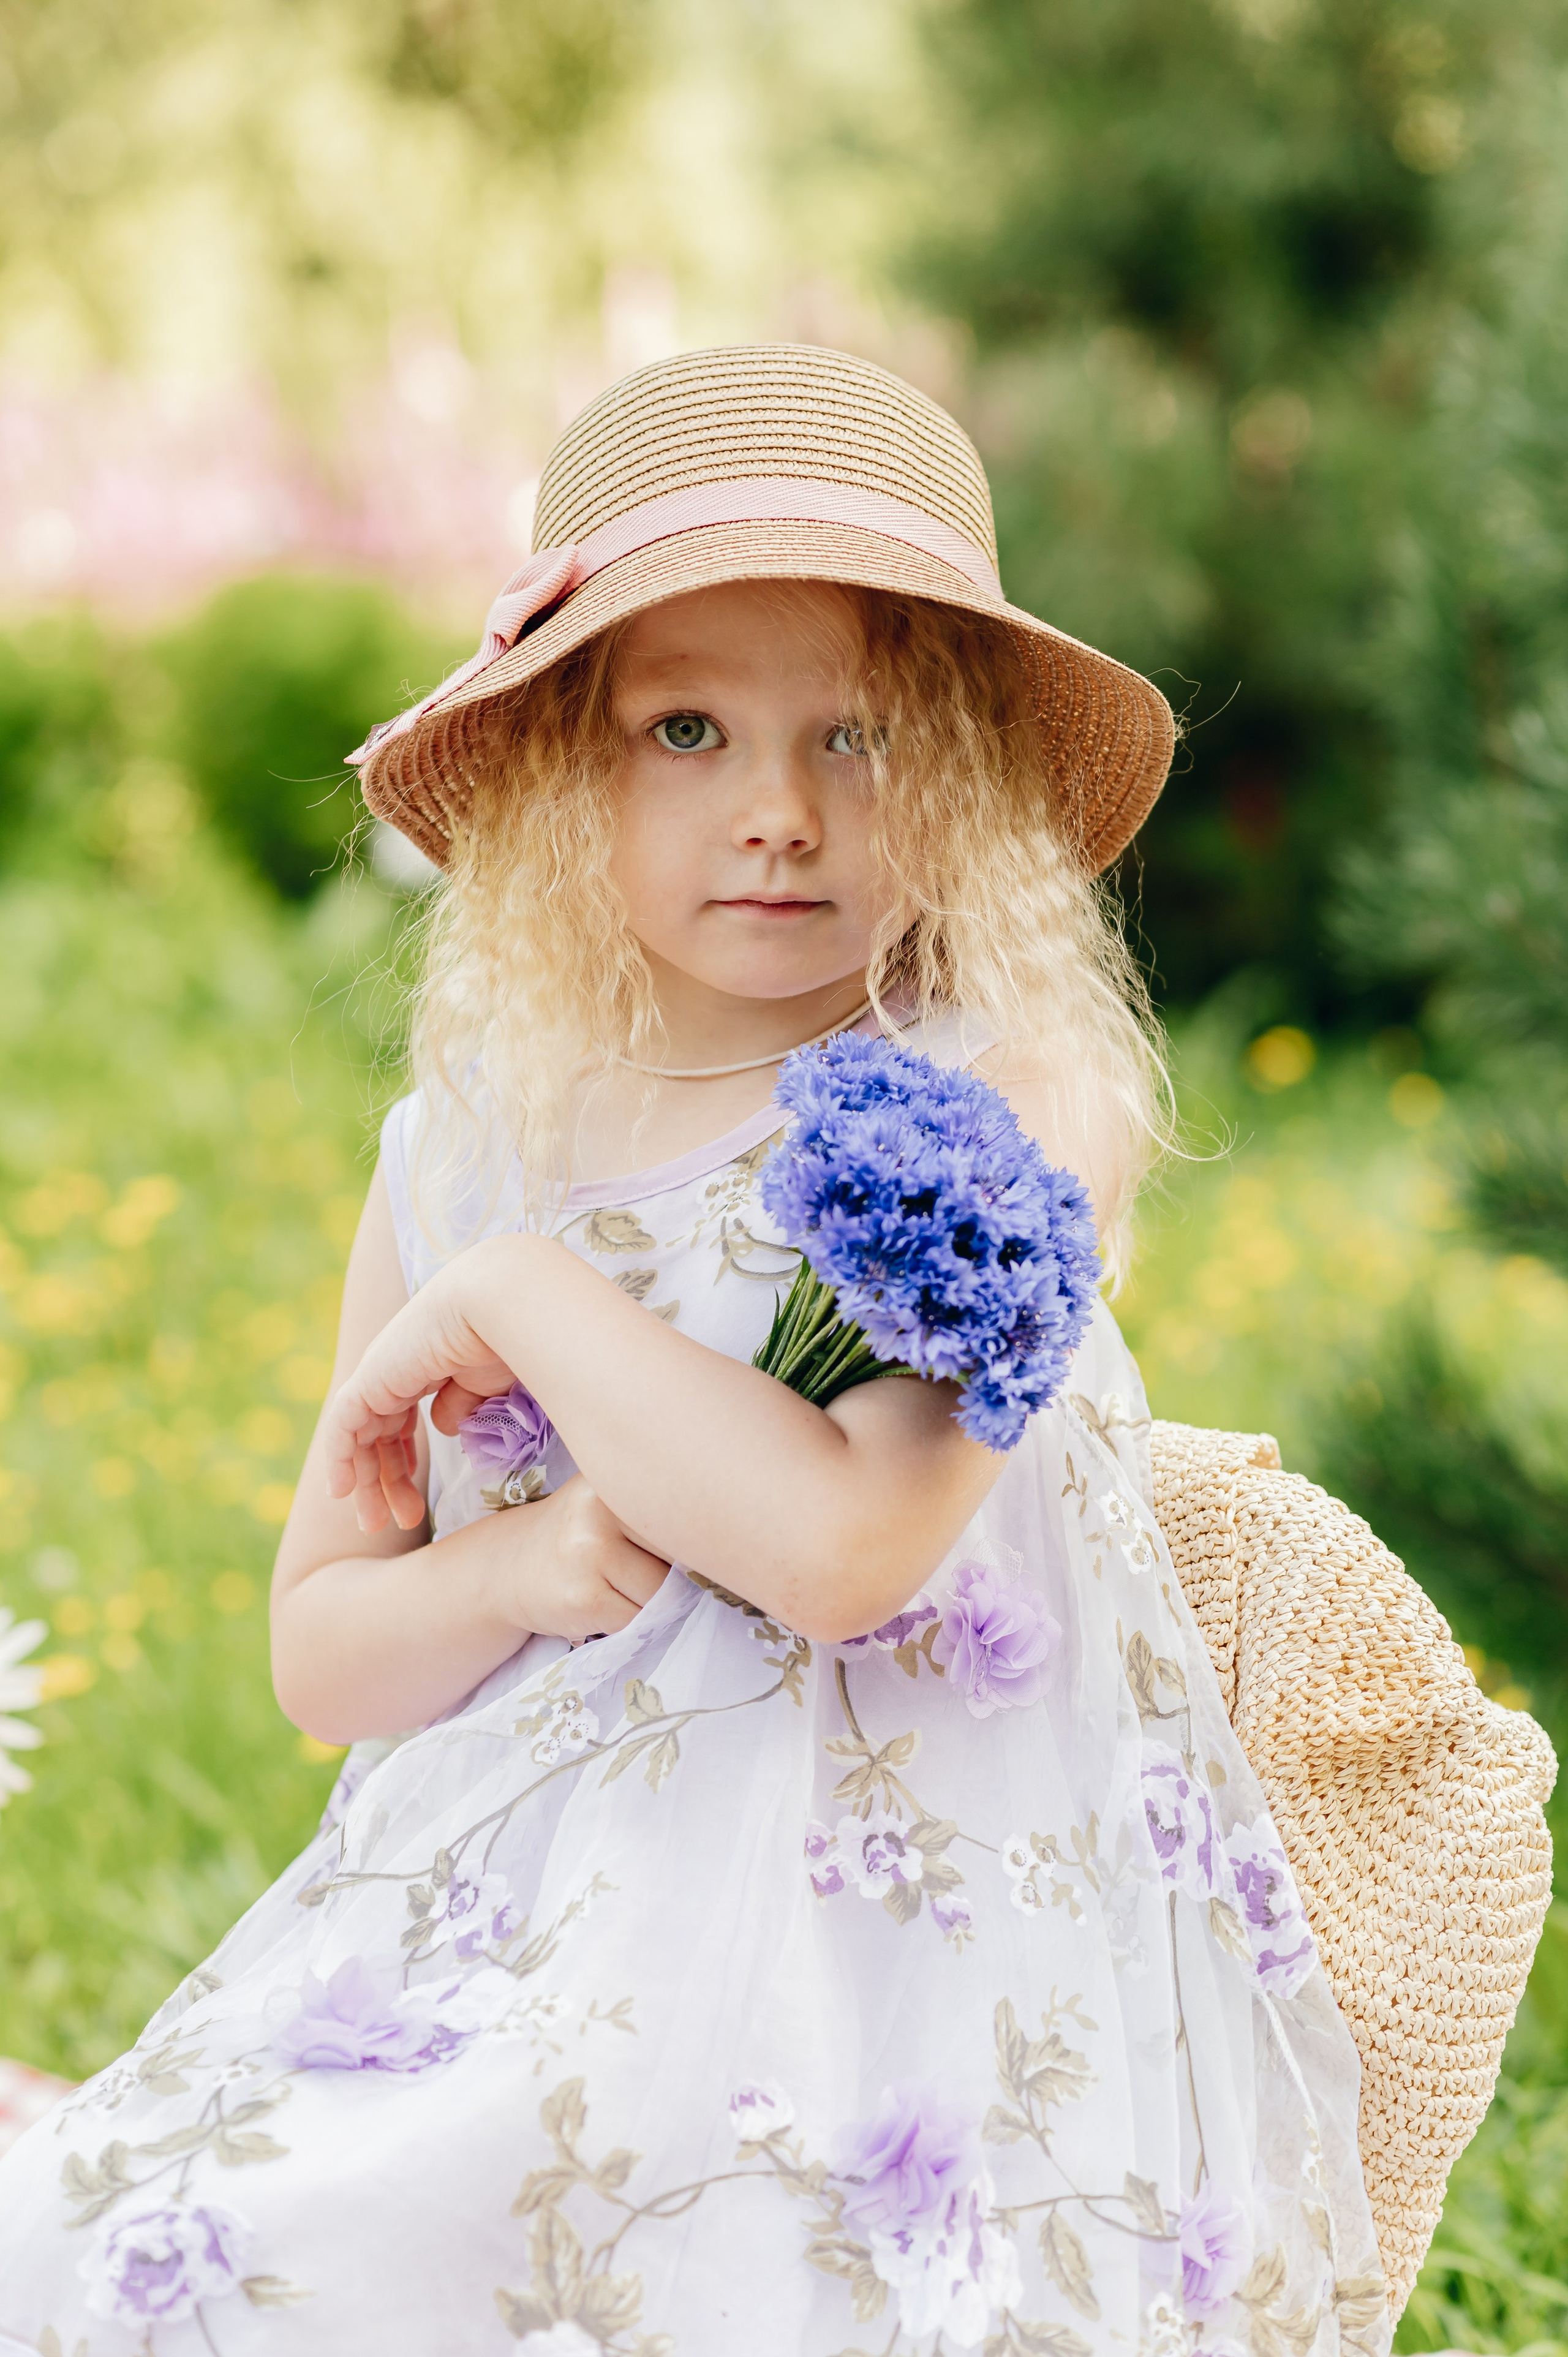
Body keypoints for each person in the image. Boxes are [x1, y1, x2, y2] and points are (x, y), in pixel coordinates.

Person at [0, 345, 1389, 2356]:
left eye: (863, 737)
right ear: (570, 757)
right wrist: (511, 1567)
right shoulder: (470, 1143)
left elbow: (844, 1554)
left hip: (898, 1960)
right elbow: (324, 1651)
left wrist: (523, 1305)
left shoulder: (1008, 1096)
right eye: (685, 729)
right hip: (526, 1921)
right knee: (212, 2251)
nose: (779, 814)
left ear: (971, 773)